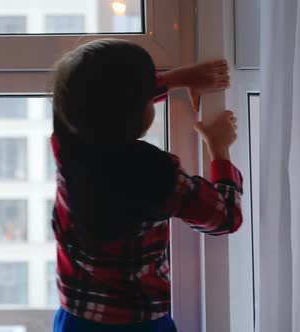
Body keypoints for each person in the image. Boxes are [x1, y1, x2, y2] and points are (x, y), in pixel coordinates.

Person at [50, 39, 242, 332]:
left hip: (76, 319)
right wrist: (219, 148)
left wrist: (179, 77)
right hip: (141, 324)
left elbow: (102, 98)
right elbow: (225, 216)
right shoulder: (157, 177)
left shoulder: (67, 145)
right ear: (136, 112)